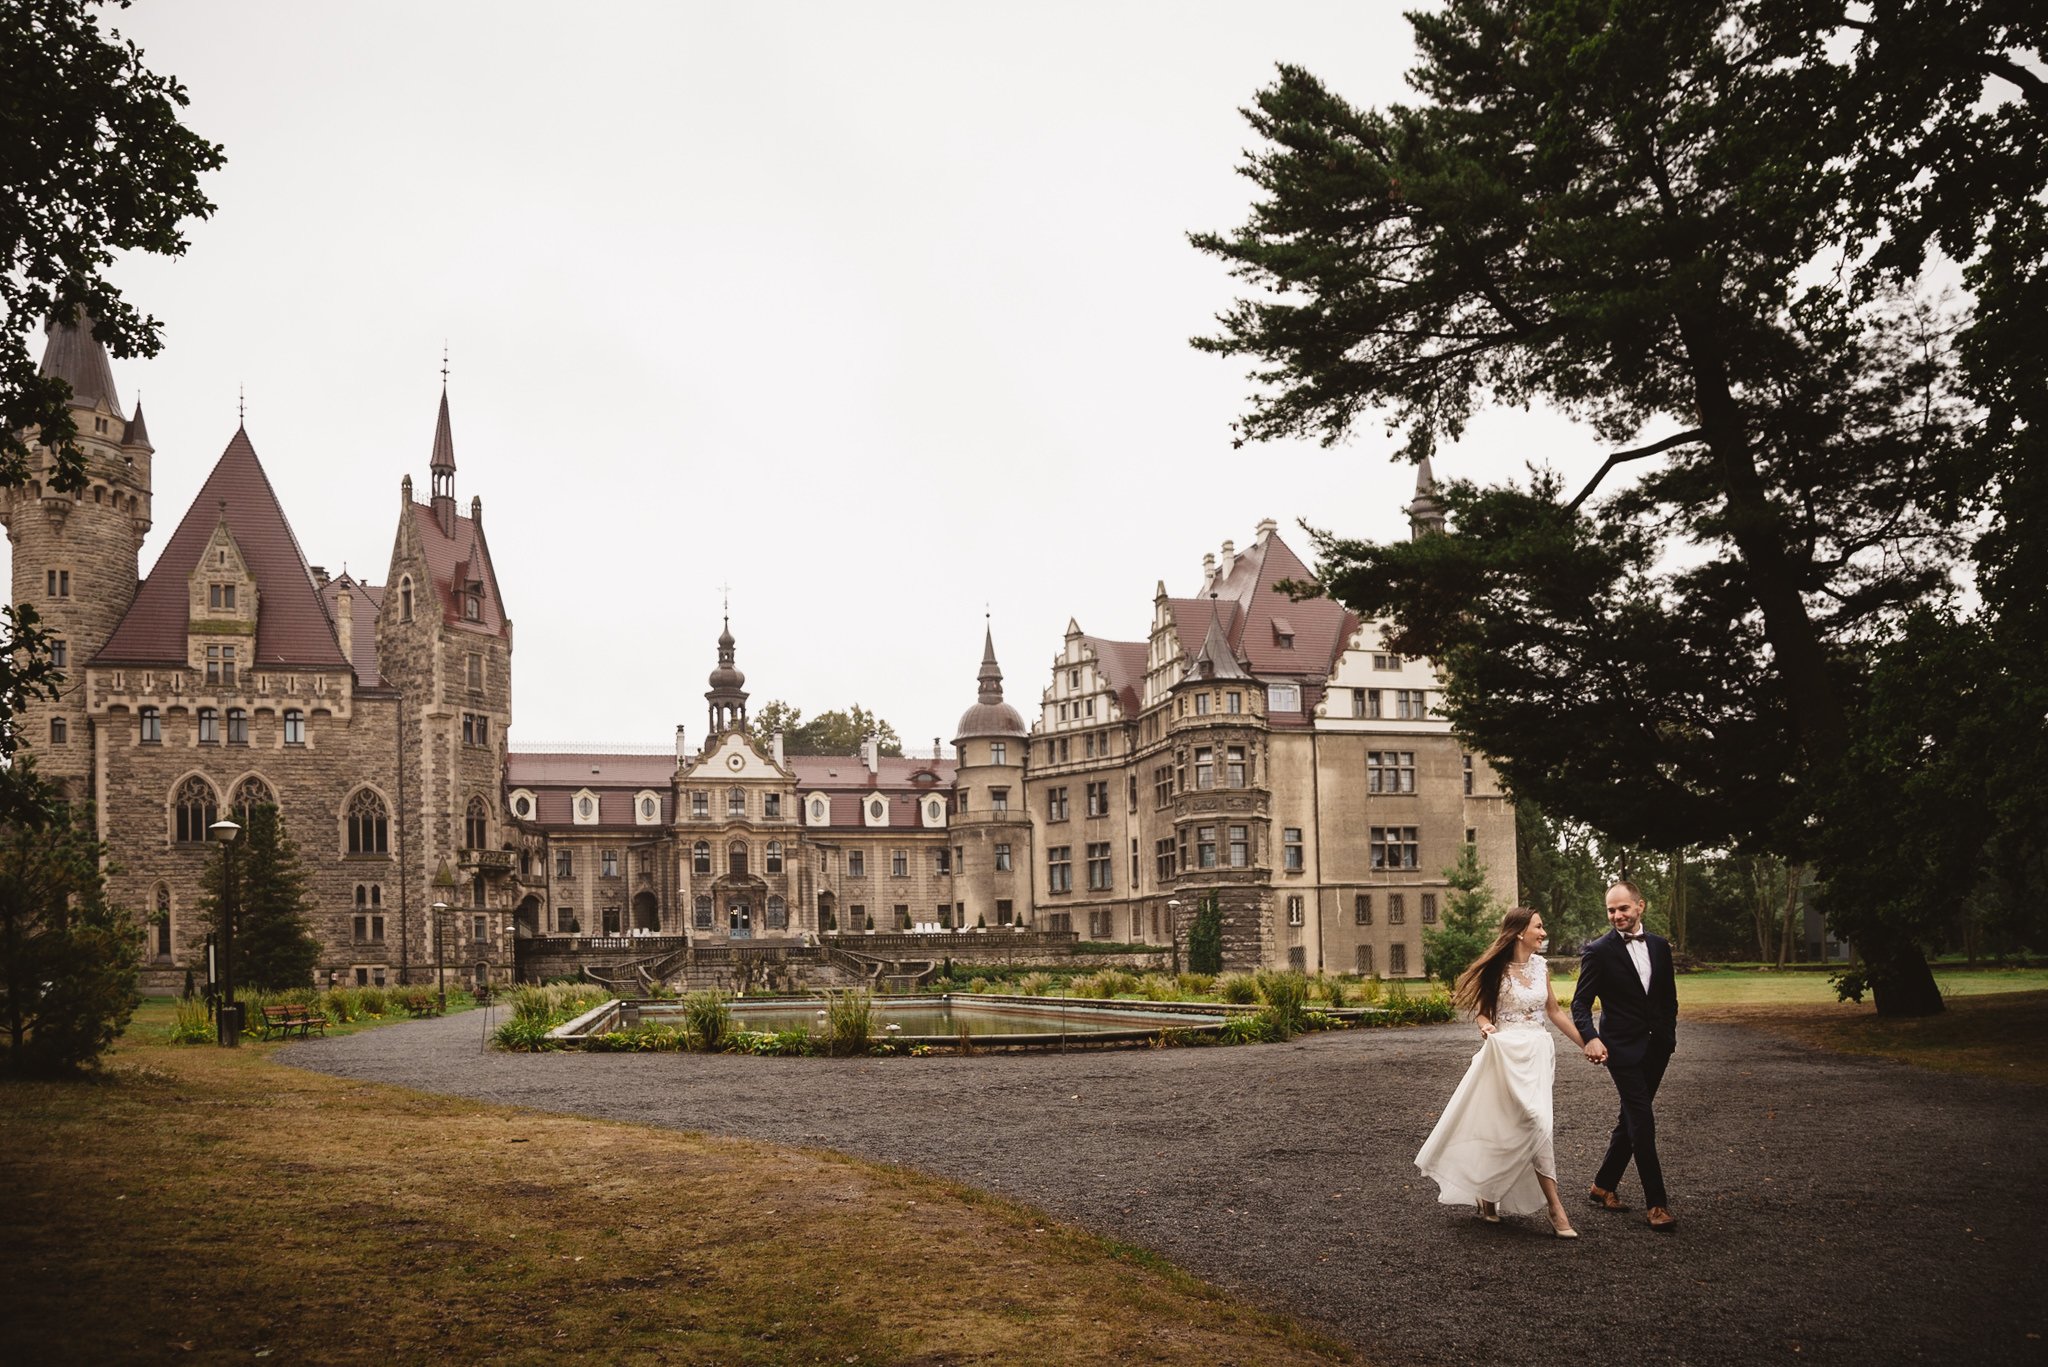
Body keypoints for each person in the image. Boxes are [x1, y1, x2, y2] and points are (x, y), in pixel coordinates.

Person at [1415, 906, 1587, 1238]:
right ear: (1520, 931)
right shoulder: (1496, 971)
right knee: (1510, 1126)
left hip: (1536, 1053)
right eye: (1539, 926)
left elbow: (1553, 1011)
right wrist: (1487, 1027)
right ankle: (1544, 1205)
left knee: (1537, 1122)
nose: (1544, 932)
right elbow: (1482, 1013)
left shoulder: (1541, 967)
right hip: (1505, 1054)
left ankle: (1515, 1199)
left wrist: (1587, 1043)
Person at [1571, 879, 1680, 1232]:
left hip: (1657, 1047)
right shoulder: (1598, 951)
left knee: (1630, 1119)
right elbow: (1580, 1003)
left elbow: (1668, 999)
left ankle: (1603, 1185)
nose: (1617, 915)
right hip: (1621, 1050)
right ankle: (1657, 1204)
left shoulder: (1661, 947)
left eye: (1622, 908)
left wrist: (1668, 1034)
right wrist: (1591, 1038)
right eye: (1611, 910)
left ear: (1640, 906)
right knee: (1643, 1121)